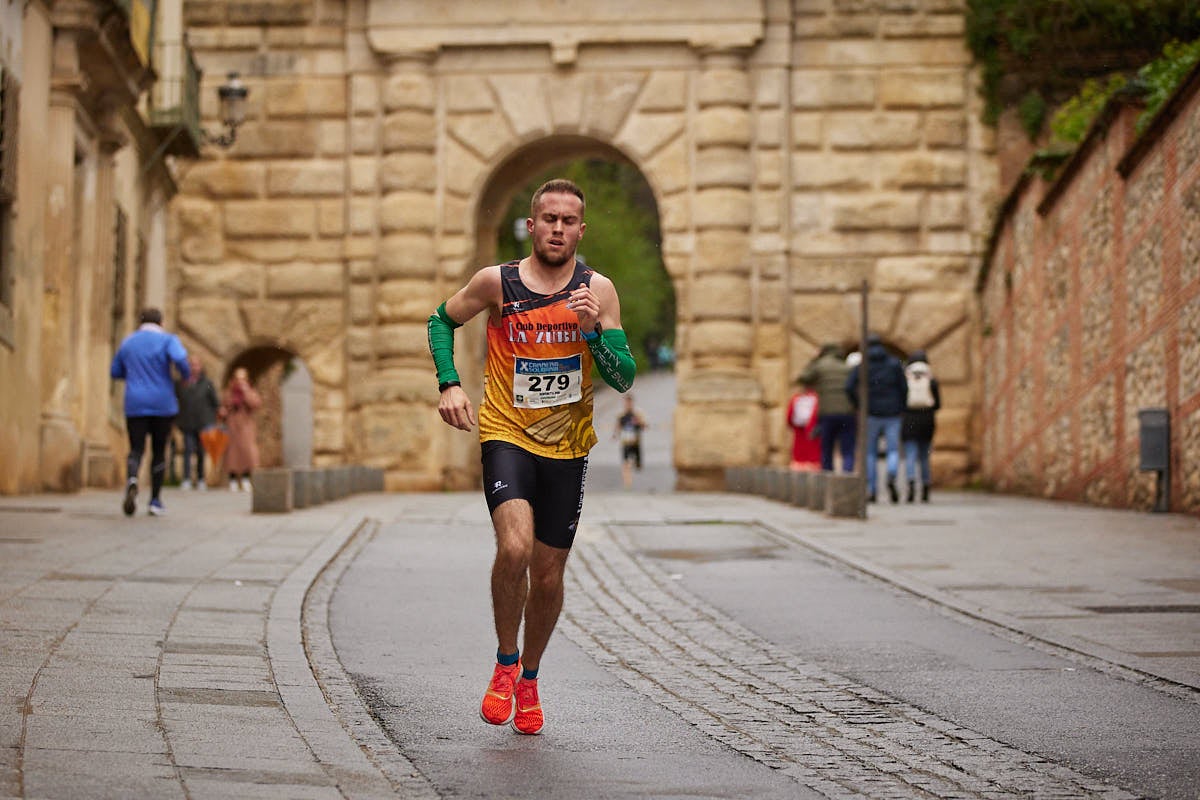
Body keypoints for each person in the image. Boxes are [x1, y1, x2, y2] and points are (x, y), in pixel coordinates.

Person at [427, 178, 636, 735]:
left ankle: (531, 676)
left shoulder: (600, 290)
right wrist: (449, 383)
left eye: (569, 221)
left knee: (547, 576)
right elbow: (440, 320)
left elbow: (623, 377)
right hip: (506, 432)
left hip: (567, 448)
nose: (558, 229)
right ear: (532, 223)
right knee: (514, 545)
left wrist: (592, 333)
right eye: (549, 219)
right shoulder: (498, 282)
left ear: (580, 230)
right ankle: (503, 660)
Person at [110, 307, 190, 517]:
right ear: (161, 322)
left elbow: (115, 371)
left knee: (136, 448)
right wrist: (183, 375)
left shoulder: (129, 342)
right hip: (162, 403)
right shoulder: (168, 340)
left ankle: (133, 479)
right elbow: (181, 361)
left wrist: (135, 373)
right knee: (158, 451)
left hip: (135, 403)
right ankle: (155, 500)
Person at [845, 333, 907, 503]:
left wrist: (858, 404)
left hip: (871, 413)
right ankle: (892, 475)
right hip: (892, 413)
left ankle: (872, 489)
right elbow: (904, 387)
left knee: (870, 453)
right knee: (893, 450)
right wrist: (901, 406)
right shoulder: (894, 364)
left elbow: (849, 387)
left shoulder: (862, 366)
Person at [799, 342, 856, 472]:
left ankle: (828, 476)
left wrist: (814, 360)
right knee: (847, 449)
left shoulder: (820, 365)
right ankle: (847, 476)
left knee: (827, 449)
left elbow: (804, 378)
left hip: (827, 413)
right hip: (847, 413)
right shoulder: (846, 367)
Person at [901, 350, 941, 502]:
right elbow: (938, 404)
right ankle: (925, 486)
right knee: (924, 455)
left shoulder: (906, 378)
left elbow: (902, 400)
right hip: (927, 419)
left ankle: (910, 482)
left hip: (910, 419)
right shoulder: (931, 379)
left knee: (910, 454)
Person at [175, 355, 220, 491]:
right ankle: (186, 478)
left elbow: (215, 402)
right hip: (187, 421)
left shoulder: (207, 383)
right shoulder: (181, 383)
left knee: (201, 451)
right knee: (187, 449)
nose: (193, 367)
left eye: (196, 365)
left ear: (200, 367)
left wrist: (213, 419)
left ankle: (201, 478)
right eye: (191, 365)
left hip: (203, 422)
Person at [219, 367, 262, 492]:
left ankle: (246, 478)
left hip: (246, 425)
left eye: (243, 378)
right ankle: (232, 479)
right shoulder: (229, 392)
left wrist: (246, 392)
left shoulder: (250, 391)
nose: (240, 381)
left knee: (247, 452)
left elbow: (255, 404)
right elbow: (224, 405)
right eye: (238, 378)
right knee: (232, 454)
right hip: (232, 425)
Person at [785, 378, 821, 471]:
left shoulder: (796, 399)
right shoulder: (817, 399)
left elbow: (789, 416)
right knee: (813, 458)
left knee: (799, 458)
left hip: (799, 432)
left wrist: (792, 425)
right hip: (813, 432)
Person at [614, 394, 647, 489]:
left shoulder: (637, 413)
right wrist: (615, 435)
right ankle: (627, 483)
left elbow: (645, 426)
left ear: (632, 403)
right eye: (626, 402)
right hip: (626, 442)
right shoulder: (621, 414)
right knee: (626, 464)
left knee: (638, 466)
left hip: (636, 442)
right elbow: (618, 426)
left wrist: (639, 422)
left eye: (629, 402)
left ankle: (634, 464)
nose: (628, 404)